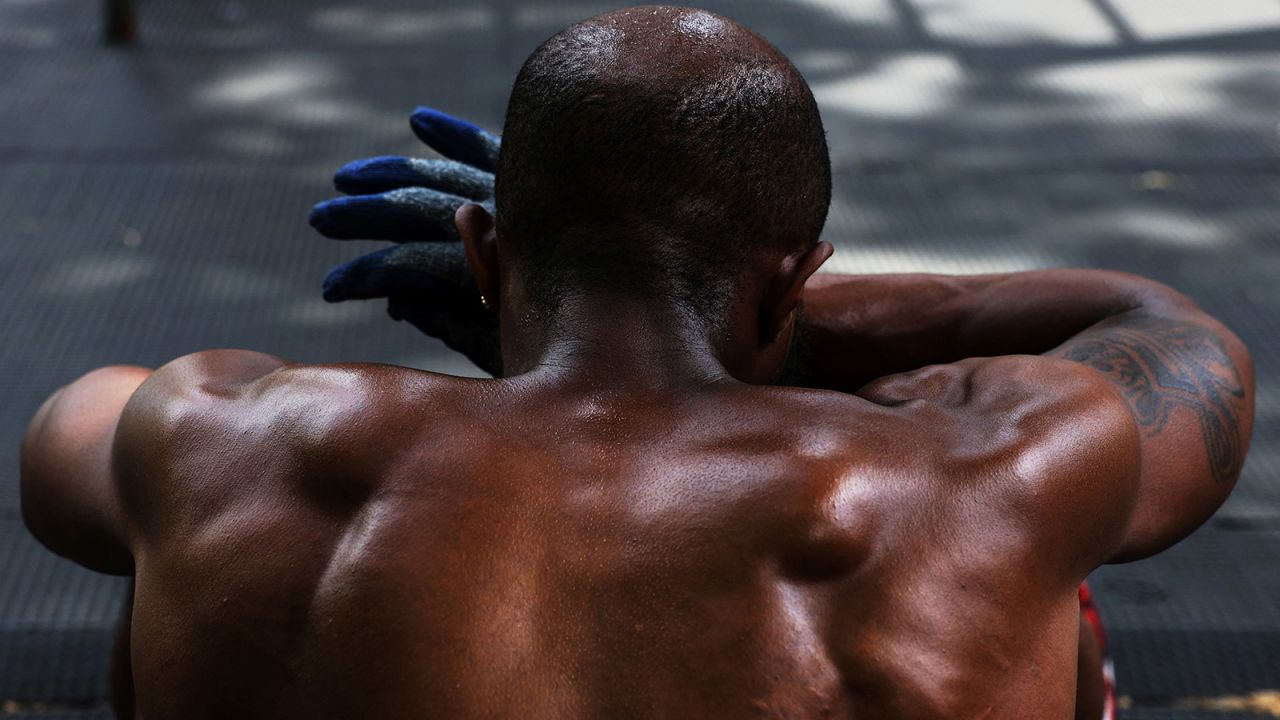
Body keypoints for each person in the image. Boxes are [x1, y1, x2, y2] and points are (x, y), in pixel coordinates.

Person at [20, 6, 1254, 719]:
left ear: (483, 250)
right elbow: (1166, 329)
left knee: (171, 561)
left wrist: (533, 324)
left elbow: (68, 433)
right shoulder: (984, 476)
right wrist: (806, 342)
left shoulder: (219, 436)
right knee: (1056, 605)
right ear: (791, 274)